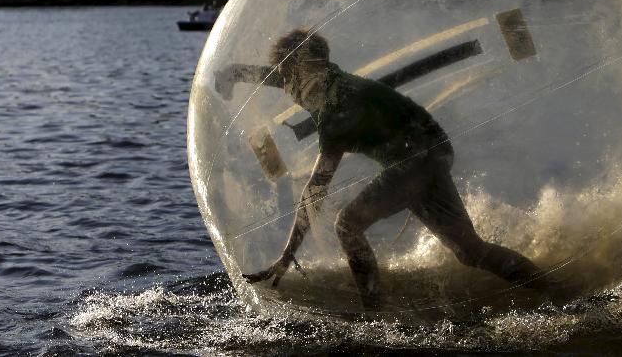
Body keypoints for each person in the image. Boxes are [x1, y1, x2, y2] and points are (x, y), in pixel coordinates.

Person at [215, 28, 553, 309]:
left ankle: (374, 315)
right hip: (432, 150)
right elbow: (272, 75)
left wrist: (286, 256)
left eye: (289, 78)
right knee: (469, 251)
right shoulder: (319, 80)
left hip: (416, 159)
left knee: (347, 225)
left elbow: (315, 189)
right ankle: (557, 290)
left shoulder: (336, 108)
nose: (287, 90)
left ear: (306, 67)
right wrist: (231, 74)